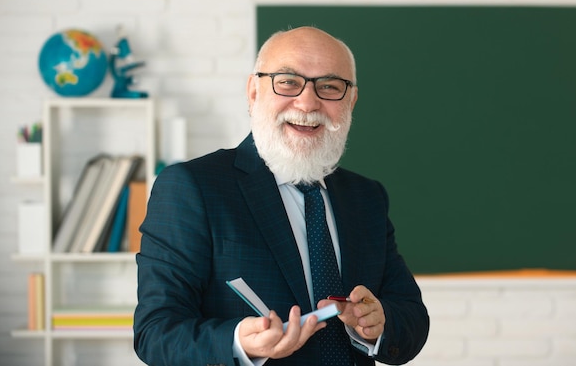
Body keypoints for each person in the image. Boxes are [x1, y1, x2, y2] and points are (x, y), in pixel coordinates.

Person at [134, 26, 429, 366]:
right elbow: (155, 333)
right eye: (288, 82)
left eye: (330, 86)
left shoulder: (366, 197)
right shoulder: (191, 187)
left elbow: (411, 317)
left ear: (351, 101)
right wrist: (238, 344)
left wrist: (380, 324)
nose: (307, 103)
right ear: (254, 91)